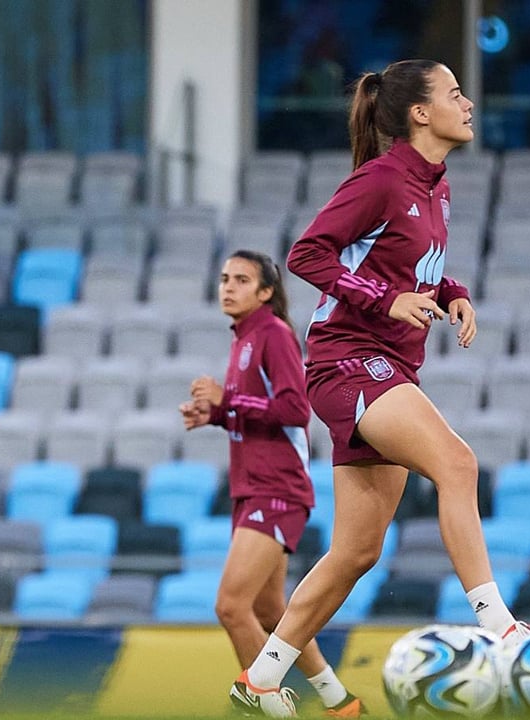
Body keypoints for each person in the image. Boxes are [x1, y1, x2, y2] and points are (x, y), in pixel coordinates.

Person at [230, 59, 529, 718]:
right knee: (458, 464)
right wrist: (386, 300)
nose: (468, 104)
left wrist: (452, 291)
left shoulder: (436, 186)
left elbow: (411, 264)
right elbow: (308, 254)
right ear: (420, 113)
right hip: (348, 361)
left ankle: (261, 681)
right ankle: (500, 627)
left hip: (388, 363)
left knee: (356, 552)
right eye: (455, 94)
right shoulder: (382, 179)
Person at [181, 250, 362, 718]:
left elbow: (295, 409)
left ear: (266, 292)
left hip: (275, 488)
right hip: (252, 488)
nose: (228, 286)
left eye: (241, 280)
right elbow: (260, 413)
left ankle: (267, 705)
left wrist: (228, 399)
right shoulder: (244, 338)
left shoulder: (274, 334)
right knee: (269, 612)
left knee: (230, 607)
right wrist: (215, 415)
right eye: (224, 278)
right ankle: (340, 703)